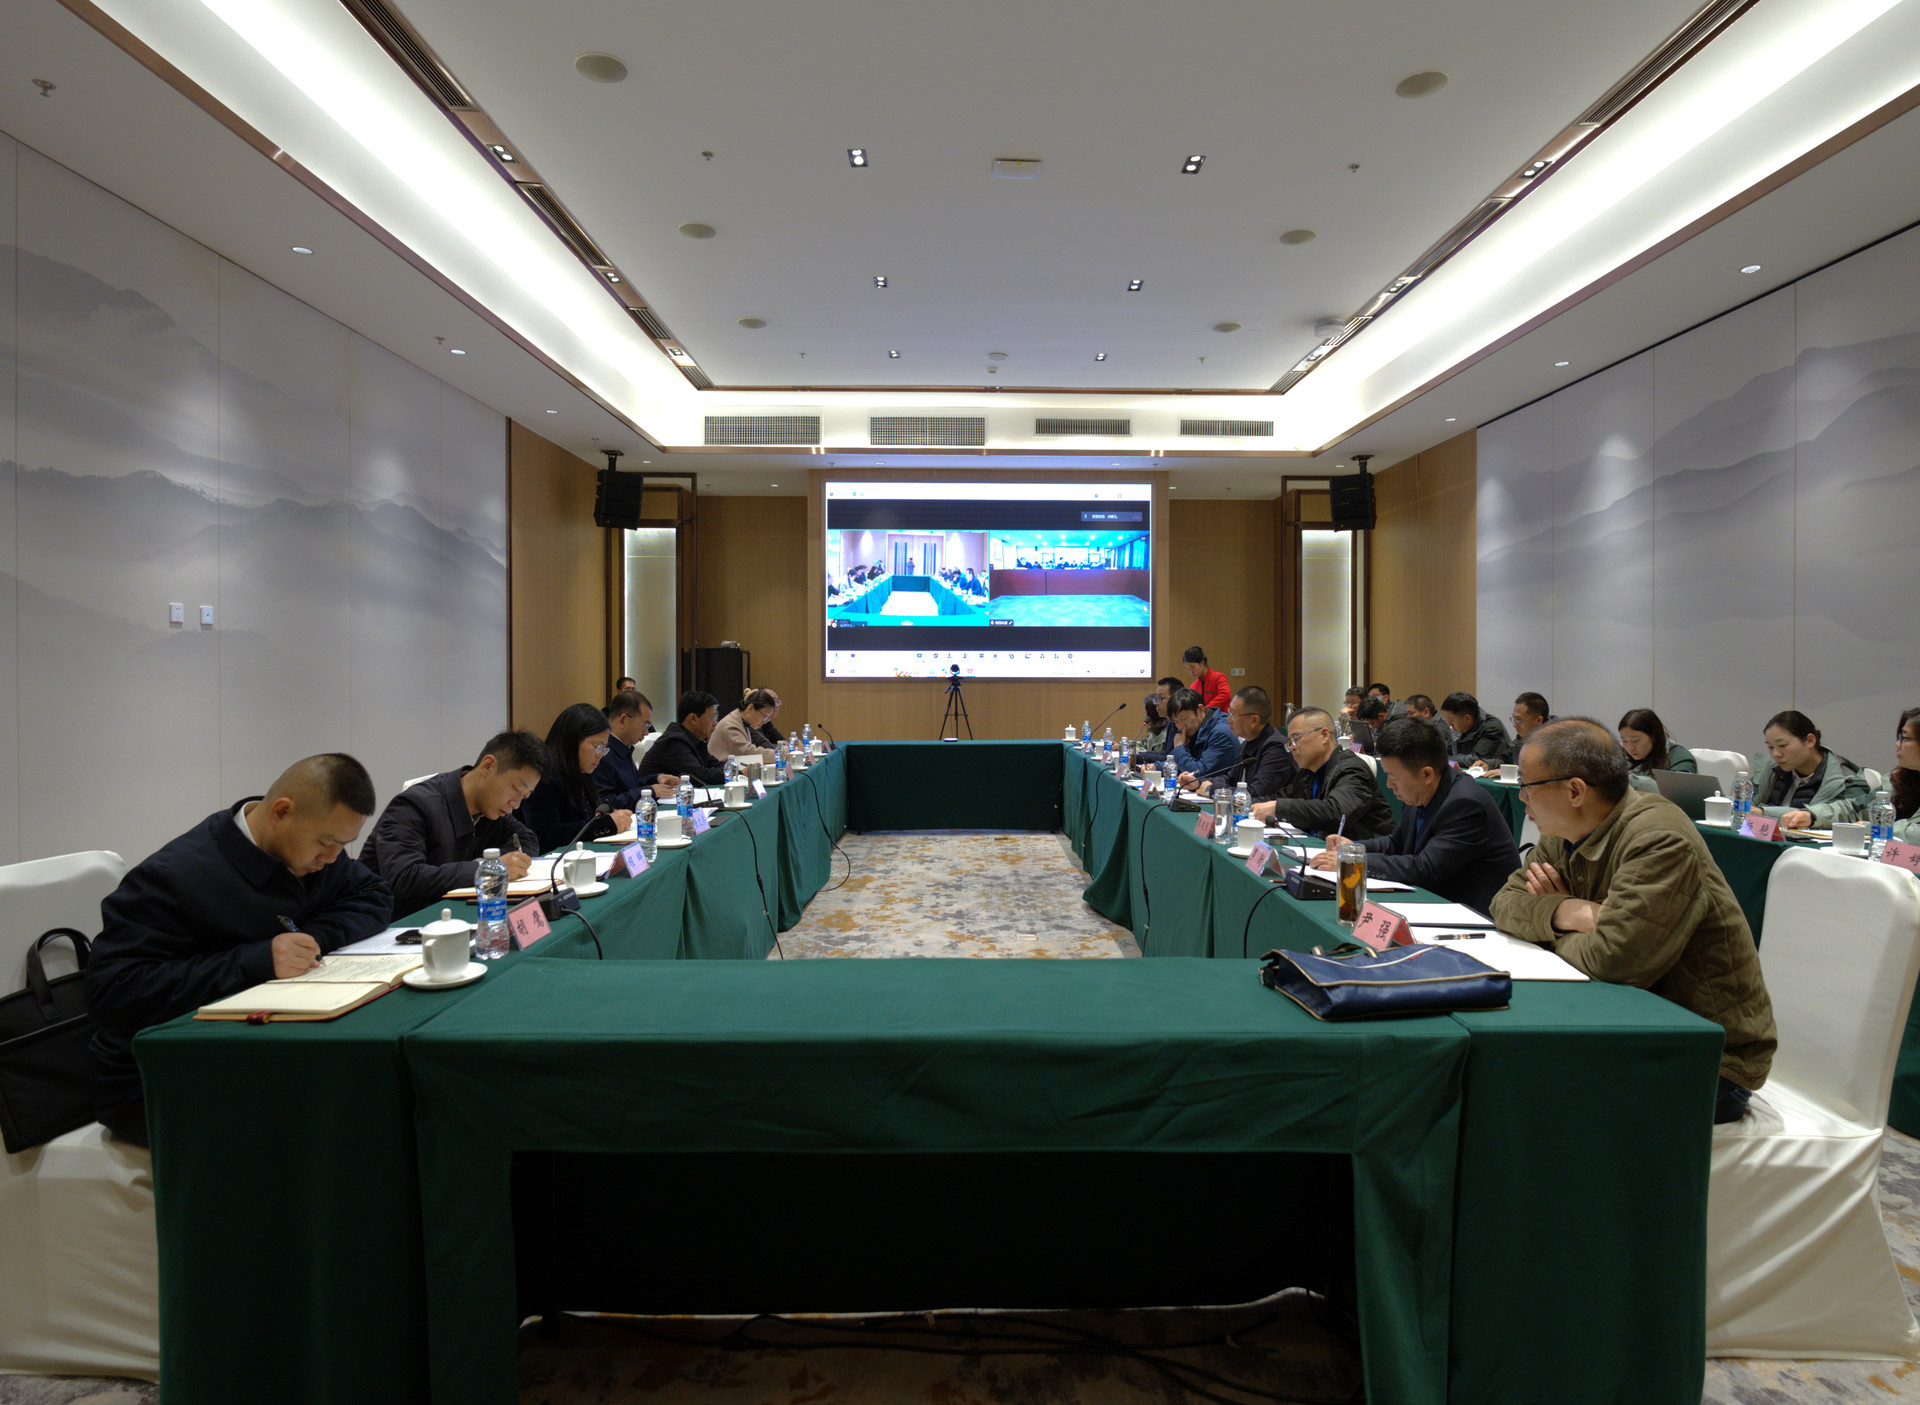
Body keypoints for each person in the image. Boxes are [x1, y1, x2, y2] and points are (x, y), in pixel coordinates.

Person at [85, 754, 394, 1146]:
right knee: (335, 1126)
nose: (332, 858)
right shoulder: (173, 877)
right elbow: (112, 992)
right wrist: (257, 961)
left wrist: (312, 939)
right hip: (159, 1078)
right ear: (281, 812)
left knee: (378, 1093)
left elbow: (373, 894)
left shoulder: (311, 857)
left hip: (258, 1046)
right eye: (326, 843)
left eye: (343, 845)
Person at [1491, 720, 1775, 1123]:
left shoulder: (1658, 837)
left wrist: (1548, 932)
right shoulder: (1564, 832)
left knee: (1527, 1098)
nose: (1521, 798)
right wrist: (1571, 911)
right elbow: (1504, 903)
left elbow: (1614, 960)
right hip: (1624, 1028)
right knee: (1502, 1071)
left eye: (1528, 786)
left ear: (1575, 791)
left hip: (1706, 1058)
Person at [1308, 718, 1521, 915]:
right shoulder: (1422, 791)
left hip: (1474, 917)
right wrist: (1353, 848)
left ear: (1427, 774)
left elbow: (1424, 869)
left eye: (1393, 777)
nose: (1388, 785)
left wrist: (1354, 863)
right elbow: (1396, 843)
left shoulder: (1465, 804)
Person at [360, 731, 545, 917]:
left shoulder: (492, 810)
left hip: (447, 916)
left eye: (525, 796)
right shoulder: (413, 805)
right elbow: (404, 879)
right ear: (488, 766)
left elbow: (525, 838)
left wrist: (508, 863)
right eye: (516, 789)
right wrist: (488, 869)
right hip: (389, 923)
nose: (516, 804)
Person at [1251, 708, 1393, 838]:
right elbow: (1280, 797)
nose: (1292, 747)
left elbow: (1336, 812)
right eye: (1290, 742)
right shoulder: (1307, 773)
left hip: (1361, 854)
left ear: (1324, 735)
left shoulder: (1352, 769)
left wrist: (1278, 807)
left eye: (1296, 738)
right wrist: (1245, 803)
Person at [522, 704, 635, 850]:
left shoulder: (582, 772)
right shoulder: (543, 776)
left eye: (604, 748)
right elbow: (544, 835)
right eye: (597, 746)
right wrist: (606, 824)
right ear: (572, 741)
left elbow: (589, 817)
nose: (600, 755)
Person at [1748, 709, 1871, 830]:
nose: (1776, 754)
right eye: (1770, 747)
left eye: (1782, 745)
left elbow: (1841, 816)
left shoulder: (1847, 779)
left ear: (1810, 741)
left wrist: (1762, 812)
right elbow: (1746, 802)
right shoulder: (1771, 769)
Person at [1200, 686, 1295, 800]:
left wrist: (1212, 789)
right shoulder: (1248, 742)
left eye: (1233, 714)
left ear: (1254, 720)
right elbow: (1231, 778)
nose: (1229, 719)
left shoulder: (1276, 749)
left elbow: (1254, 794)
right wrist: (1200, 782)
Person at [594, 691, 680, 810]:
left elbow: (631, 786)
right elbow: (605, 803)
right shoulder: (602, 753)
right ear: (623, 720)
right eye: (645, 726)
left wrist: (657, 778)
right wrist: (650, 791)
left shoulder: (623, 747)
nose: (646, 732)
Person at [638, 691, 727, 787]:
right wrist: (732, 773)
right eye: (712, 717)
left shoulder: (694, 739)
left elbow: (714, 764)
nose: (715, 723)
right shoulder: (674, 742)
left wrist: (733, 770)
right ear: (693, 719)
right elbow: (700, 777)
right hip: (650, 795)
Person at [1167, 686, 1238, 787]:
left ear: (1200, 710)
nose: (1180, 726)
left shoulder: (1222, 733)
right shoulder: (1196, 729)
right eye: (1175, 721)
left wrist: (1178, 747)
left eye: (1183, 718)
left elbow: (1199, 773)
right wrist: (1155, 767)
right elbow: (1183, 762)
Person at [1617, 708, 1697, 793]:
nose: (1630, 748)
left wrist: (1629, 780)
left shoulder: (1680, 759)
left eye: (1635, 741)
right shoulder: (1621, 753)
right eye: (1624, 741)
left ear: (1654, 736)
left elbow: (1677, 794)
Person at [1439, 692, 1512, 767]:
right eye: (1447, 720)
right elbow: (1446, 753)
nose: (1449, 724)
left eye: (1452, 720)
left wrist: (1446, 759)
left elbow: (1477, 759)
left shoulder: (1492, 727)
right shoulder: (1458, 726)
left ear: (1467, 718)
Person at [713, 689, 779, 760]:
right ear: (750, 708)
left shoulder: (742, 722)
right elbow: (748, 753)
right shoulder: (730, 725)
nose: (764, 722)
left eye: (767, 719)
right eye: (764, 717)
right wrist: (779, 754)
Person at [1134, 676, 1183, 760]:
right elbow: (1166, 754)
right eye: (1156, 698)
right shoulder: (1171, 723)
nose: (1156, 703)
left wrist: (1139, 756)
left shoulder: (1181, 724)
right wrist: (1139, 756)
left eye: (1161, 698)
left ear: (1175, 699)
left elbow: (1172, 758)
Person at [1891, 707, 1920, 843]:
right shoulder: (1900, 778)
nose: (1898, 744)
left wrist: (1877, 827)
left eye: (1906, 738)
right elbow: (1857, 809)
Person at [1181, 646, 1232, 712]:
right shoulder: (1193, 686)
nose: (1191, 672)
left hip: (1220, 716)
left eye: (1192, 667)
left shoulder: (1218, 677)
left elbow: (1226, 696)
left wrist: (1206, 709)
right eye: (1187, 669)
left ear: (1202, 662)